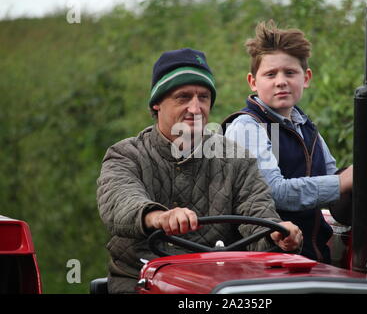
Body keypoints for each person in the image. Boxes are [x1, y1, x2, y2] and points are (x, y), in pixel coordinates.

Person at [96, 48, 302, 294]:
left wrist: (276, 235)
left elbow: (257, 213)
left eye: (203, 97)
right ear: (156, 104)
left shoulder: (236, 159)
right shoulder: (126, 155)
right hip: (139, 279)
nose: (195, 109)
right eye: (183, 98)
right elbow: (119, 201)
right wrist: (159, 217)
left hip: (219, 281)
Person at [223, 21, 353, 264]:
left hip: (313, 259)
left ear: (306, 78)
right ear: (253, 82)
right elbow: (273, 192)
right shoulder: (247, 126)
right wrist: (342, 181)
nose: (280, 81)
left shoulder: (307, 128)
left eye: (290, 73)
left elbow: (331, 184)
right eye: (270, 74)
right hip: (261, 261)